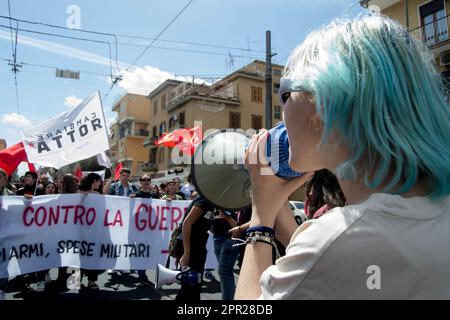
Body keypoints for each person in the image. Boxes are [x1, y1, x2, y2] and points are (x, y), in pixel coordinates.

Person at [235, 15, 450, 299]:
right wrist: (276, 205)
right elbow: (320, 263)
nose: (282, 111)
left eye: (285, 94)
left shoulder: (336, 240)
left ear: (323, 106)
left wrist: (261, 218)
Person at [176, 196, 214, 301]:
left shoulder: (210, 203)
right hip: (191, 248)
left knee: (194, 285)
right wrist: (187, 253)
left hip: (197, 247)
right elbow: (187, 224)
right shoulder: (204, 202)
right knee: (190, 286)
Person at [78, 173, 103, 290]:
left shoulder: (98, 194)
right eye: (99, 181)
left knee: (93, 254)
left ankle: (91, 280)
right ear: (94, 180)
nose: (100, 183)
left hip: (94, 231)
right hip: (81, 231)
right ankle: (77, 278)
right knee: (80, 255)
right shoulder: (79, 193)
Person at [134, 174, 159, 286]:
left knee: (148, 252)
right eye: (143, 179)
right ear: (140, 182)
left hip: (151, 229)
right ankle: (142, 275)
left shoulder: (154, 195)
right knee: (141, 252)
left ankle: (143, 273)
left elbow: (161, 207)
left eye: (148, 179)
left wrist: (167, 201)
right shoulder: (137, 195)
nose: (146, 181)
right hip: (139, 229)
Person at [211, 210, 239, 300]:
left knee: (224, 272)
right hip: (217, 240)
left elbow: (238, 227)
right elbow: (212, 230)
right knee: (224, 273)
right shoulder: (214, 211)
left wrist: (227, 217)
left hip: (229, 241)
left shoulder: (232, 209)